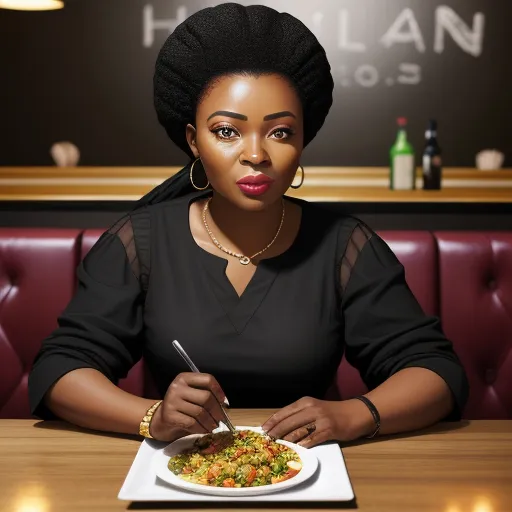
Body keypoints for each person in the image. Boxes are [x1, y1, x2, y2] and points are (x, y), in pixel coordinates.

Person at [28, 3, 468, 448]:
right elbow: (60, 369)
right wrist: (152, 417)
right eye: (226, 131)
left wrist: (355, 414)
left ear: (301, 143)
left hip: (309, 470)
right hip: (179, 472)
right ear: (192, 140)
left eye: (279, 132)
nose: (256, 154)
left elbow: (436, 372)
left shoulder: (344, 245)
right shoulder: (140, 241)